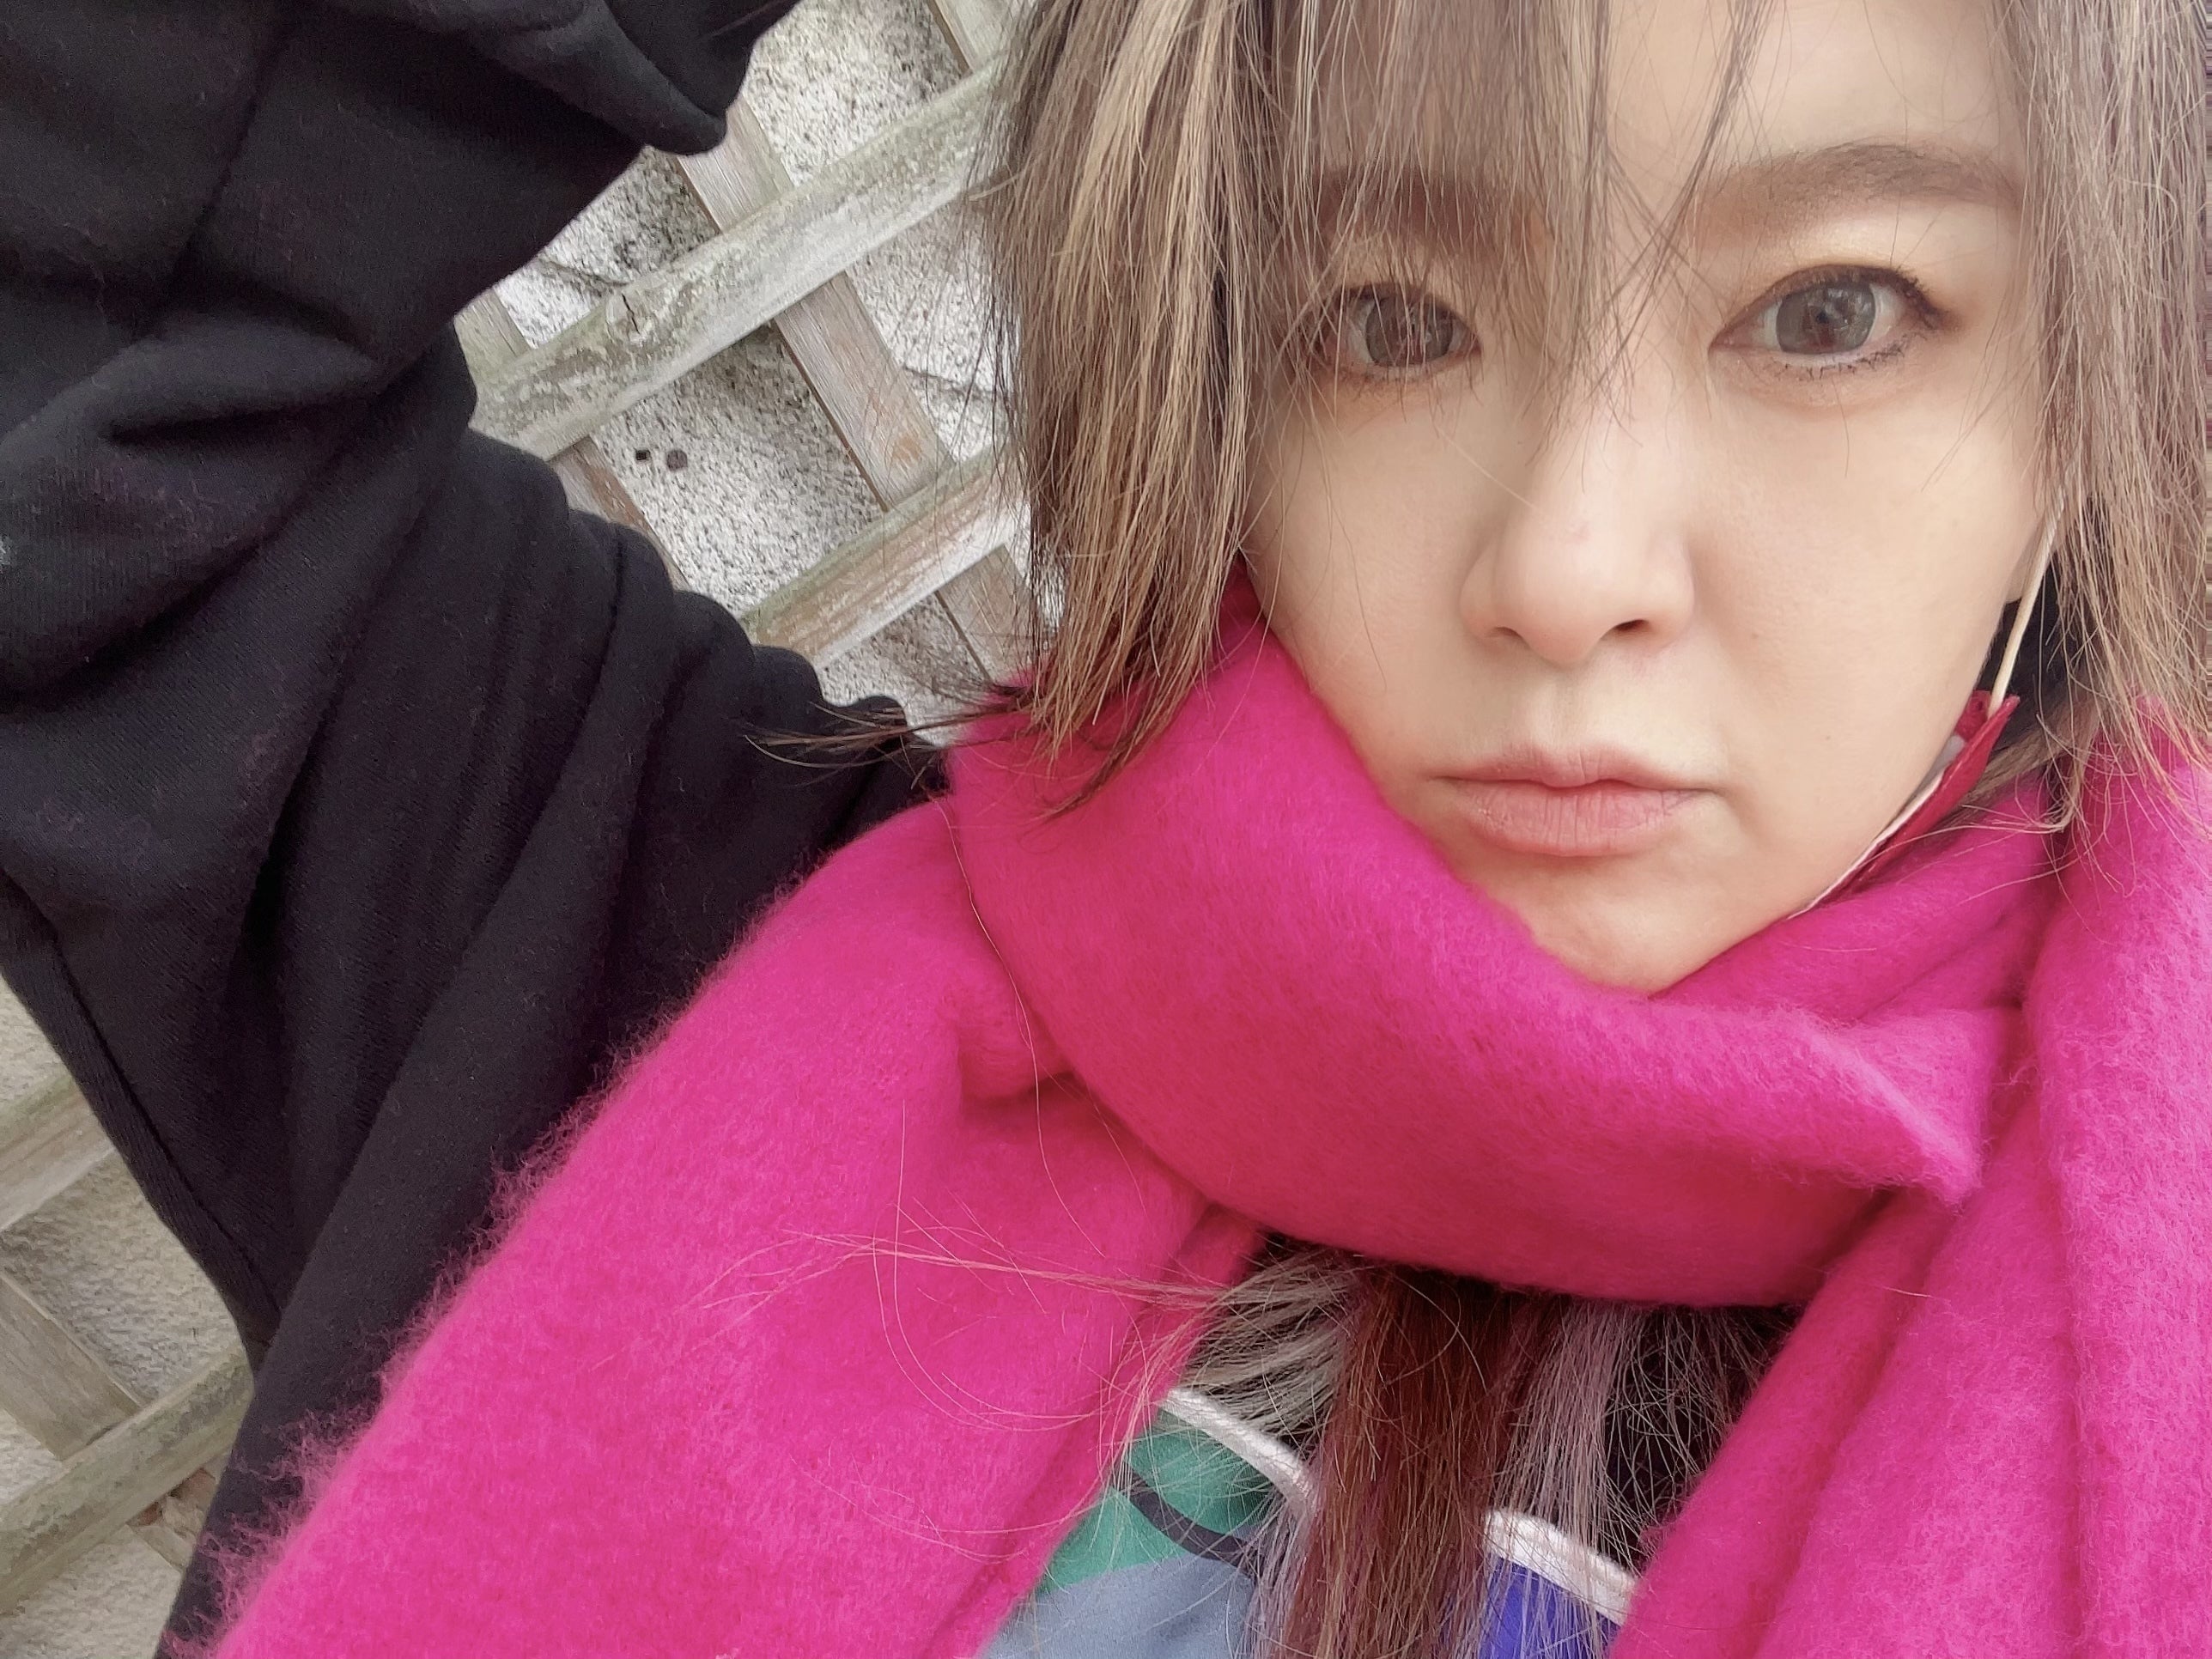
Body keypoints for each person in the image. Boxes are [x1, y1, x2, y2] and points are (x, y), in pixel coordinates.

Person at [3, 1, 2204, 1656]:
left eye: (1832, 312)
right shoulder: (637, 935)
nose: (1565, 565)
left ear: (2081, 414)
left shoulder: (2151, 1317)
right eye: (1389, 321)